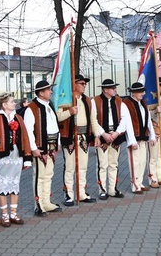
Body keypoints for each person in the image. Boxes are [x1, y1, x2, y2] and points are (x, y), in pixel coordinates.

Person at [0, 93, 32, 227]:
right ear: (4, 105)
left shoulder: (18, 117)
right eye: (12, 102)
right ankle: (4, 215)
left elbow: (25, 137)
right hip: (2, 157)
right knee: (2, 185)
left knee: (14, 184)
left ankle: (13, 213)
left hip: (16, 156)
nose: (14, 104)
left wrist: (27, 157)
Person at [24, 80, 70, 214]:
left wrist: (58, 142)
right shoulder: (31, 108)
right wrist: (33, 148)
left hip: (52, 145)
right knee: (39, 175)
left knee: (49, 174)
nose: (51, 92)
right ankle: (38, 204)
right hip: (41, 147)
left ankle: (46, 202)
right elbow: (28, 130)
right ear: (41, 92)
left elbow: (54, 125)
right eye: (48, 90)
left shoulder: (49, 105)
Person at [59, 74, 99, 205]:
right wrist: (69, 112)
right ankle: (69, 194)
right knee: (70, 167)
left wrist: (96, 134)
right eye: (81, 83)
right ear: (74, 84)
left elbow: (93, 118)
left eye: (85, 83)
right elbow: (58, 117)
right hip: (70, 137)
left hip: (83, 137)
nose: (84, 85)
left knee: (83, 166)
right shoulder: (65, 100)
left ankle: (81, 192)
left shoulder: (87, 100)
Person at [92, 79, 130, 199]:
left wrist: (117, 133)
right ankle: (102, 189)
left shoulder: (119, 101)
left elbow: (124, 119)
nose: (115, 90)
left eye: (115, 88)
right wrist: (103, 134)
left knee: (114, 164)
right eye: (113, 88)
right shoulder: (95, 101)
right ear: (105, 90)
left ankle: (112, 188)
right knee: (102, 164)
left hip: (115, 135)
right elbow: (93, 120)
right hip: (103, 136)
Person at [124, 82, 156, 194]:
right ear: (134, 93)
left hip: (144, 137)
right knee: (135, 162)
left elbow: (148, 121)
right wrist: (132, 140)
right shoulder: (126, 104)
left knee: (142, 161)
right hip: (134, 138)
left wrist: (152, 135)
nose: (143, 93)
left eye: (143, 91)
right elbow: (127, 124)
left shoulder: (143, 103)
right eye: (140, 92)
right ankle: (134, 184)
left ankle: (140, 182)